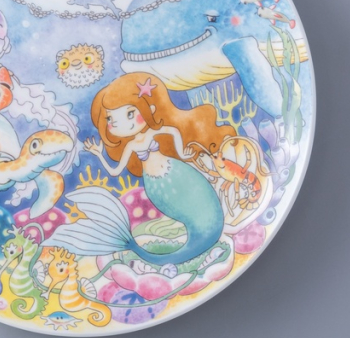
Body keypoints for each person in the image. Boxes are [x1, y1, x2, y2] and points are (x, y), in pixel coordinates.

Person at [45, 73, 235, 267]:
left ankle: (206, 232)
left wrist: (183, 154)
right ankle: (186, 241)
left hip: (176, 171)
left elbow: (172, 131)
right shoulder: (131, 146)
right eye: (110, 118)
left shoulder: (153, 132)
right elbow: (114, 171)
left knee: (199, 203)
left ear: (149, 109)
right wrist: (99, 154)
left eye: (129, 114)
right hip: (157, 186)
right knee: (188, 213)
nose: (119, 123)